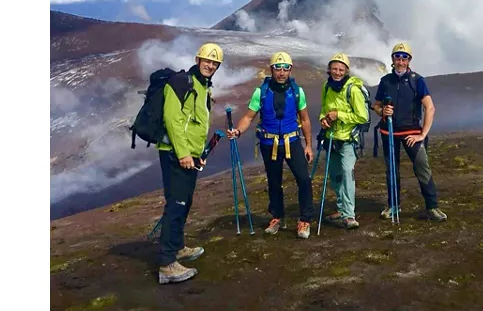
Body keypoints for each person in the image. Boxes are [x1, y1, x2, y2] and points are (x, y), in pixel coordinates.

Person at [226, 52, 315, 239]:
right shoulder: (261, 92)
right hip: (269, 143)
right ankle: (277, 217)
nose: (281, 72)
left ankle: (305, 220)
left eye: (285, 68)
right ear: (271, 69)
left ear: (290, 69)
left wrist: (308, 145)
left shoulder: (298, 92)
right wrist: (238, 131)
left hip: (292, 141)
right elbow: (249, 117)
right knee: (274, 182)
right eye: (277, 68)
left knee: (304, 180)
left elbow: (305, 119)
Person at [157, 42, 222, 284]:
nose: (210, 65)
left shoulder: (203, 86)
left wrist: (198, 153)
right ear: (197, 60)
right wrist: (184, 153)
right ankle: (166, 264)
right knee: (176, 203)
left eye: (215, 63)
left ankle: (177, 246)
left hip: (190, 154)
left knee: (185, 202)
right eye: (207, 60)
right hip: (175, 154)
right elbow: (173, 120)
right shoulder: (180, 83)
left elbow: (195, 124)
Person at [371, 42, 447, 222]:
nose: (401, 61)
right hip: (389, 132)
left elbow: (430, 108)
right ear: (392, 59)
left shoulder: (417, 80)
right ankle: (393, 205)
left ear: (409, 60)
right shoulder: (385, 81)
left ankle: (432, 206)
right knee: (392, 170)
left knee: (422, 167)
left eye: (404, 57)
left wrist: (422, 134)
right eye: (397, 57)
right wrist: (381, 111)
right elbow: (376, 104)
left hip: (412, 131)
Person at [318, 52, 370, 230]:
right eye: (334, 68)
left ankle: (349, 215)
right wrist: (323, 119)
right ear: (329, 69)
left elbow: (362, 117)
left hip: (348, 139)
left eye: (341, 69)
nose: (337, 72)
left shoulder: (352, 89)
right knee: (336, 175)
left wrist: (338, 115)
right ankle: (341, 209)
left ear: (346, 71)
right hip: (331, 138)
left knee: (347, 173)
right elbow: (324, 110)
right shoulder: (326, 87)